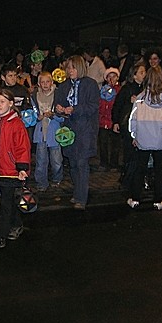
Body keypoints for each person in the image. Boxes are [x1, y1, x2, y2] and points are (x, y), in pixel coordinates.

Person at [0, 88, 31, 250]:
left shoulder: (16, 124)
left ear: (10, 103)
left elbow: (22, 147)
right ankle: (17, 224)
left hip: (11, 171)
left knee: (5, 204)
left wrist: (22, 168)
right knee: (7, 202)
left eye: (2, 101)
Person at [128, 66, 162, 210]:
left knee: (140, 169)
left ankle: (135, 198)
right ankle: (158, 200)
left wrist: (134, 135)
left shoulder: (140, 99)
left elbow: (133, 120)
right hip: (161, 141)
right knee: (160, 170)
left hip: (143, 140)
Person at [53, 54, 100, 210]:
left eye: (73, 67)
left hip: (85, 128)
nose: (70, 70)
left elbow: (93, 106)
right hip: (69, 128)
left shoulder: (90, 84)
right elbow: (57, 105)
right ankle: (77, 192)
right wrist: (59, 109)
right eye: (68, 67)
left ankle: (82, 197)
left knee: (81, 163)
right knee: (72, 162)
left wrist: (75, 109)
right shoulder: (64, 86)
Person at [112, 60, 147, 195]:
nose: (144, 75)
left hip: (142, 125)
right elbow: (118, 106)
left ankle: (137, 178)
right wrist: (115, 121)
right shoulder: (127, 89)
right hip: (128, 125)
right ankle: (127, 178)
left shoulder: (145, 89)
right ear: (134, 75)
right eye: (141, 72)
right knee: (129, 152)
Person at [31, 71, 63, 192]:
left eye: (47, 81)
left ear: (52, 82)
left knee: (56, 160)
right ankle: (41, 182)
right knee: (41, 160)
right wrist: (36, 118)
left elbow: (63, 115)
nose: (45, 84)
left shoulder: (58, 95)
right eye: (42, 82)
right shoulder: (35, 96)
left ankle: (57, 179)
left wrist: (54, 115)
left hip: (54, 132)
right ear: (39, 83)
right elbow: (31, 115)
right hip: (40, 133)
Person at [97, 68, 122, 171]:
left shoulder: (119, 90)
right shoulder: (103, 90)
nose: (112, 79)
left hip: (114, 120)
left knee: (115, 143)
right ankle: (104, 162)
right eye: (109, 77)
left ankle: (114, 163)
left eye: (114, 76)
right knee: (103, 143)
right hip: (103, 120)